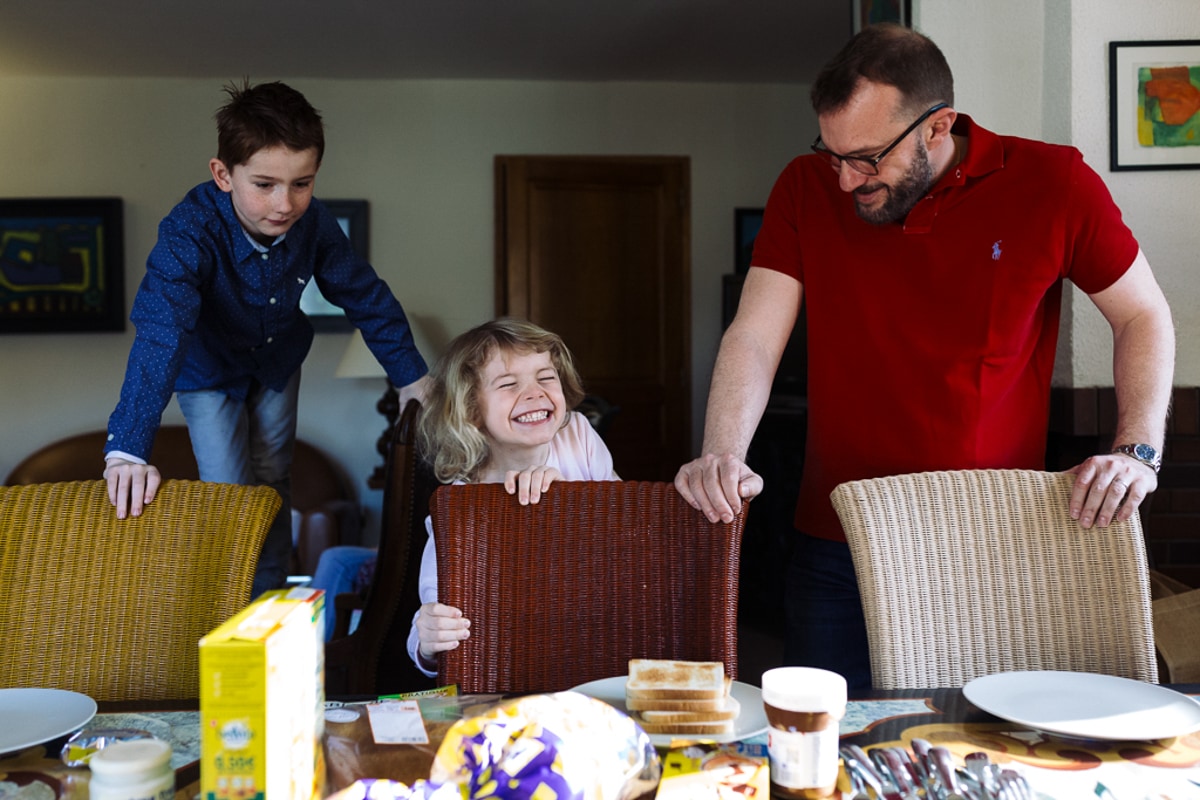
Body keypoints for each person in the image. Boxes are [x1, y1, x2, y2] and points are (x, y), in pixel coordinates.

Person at [674, 24, 1175, 689]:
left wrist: (1136, 450)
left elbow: (1142, 312)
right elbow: (755, 336)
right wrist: (722, 453)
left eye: (868, 157)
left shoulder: (1054, 182)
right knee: (825, 759)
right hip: (836, 541)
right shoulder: (804, 187)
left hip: (988, 541)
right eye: (832, 151)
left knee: (973, 751)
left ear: (937, 127)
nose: (846, 178)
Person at [103, 80, 429, 599]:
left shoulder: (314, 223)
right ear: (223, 175)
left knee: (275, 479)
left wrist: (412, 377)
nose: (285, 204)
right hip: (207, 374)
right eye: (265, 185)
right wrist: (127, 450)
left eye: (302, 183)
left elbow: (364, 295)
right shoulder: (188, 231)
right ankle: (233, 605)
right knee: (232, 493)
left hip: (278, 361)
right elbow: (161, 333)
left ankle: (270, 598)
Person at [405, 318, 619, 676]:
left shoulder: (577, 436)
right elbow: (434, 614)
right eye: (508, 383)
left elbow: (628, 526)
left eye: (546, 376)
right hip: (509, 665)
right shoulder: (460, 507)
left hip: (595, 648)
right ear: (471, 411)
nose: (535, 392)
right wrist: (425, 641)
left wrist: (571, 500)